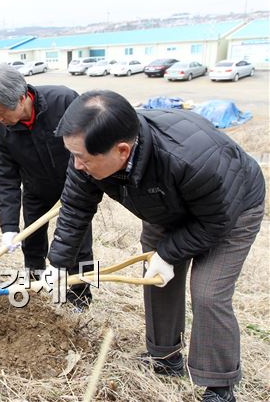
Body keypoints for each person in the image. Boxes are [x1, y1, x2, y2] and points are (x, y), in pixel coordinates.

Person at [47, 90, 265, 401]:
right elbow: (75, 207)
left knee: (207, 292)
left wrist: (168, 252)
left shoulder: (193, 158)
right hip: (164, 204)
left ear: (122, 150)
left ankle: (218, 384)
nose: (77, 164)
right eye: (73, 154)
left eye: (83, 157)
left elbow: (215, 222)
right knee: (156, 277)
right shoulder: (88, 153)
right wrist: (59, 263)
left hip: (231, 210)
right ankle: (165, 357)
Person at [0, 64, 94, 309]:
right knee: (32, 244)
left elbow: (90, 145)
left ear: (21, 99)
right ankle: (35, 288)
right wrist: (8, 227)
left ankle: (79, 299)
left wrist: (83, 185)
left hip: (76, 188)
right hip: (35, 191)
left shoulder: (64, 101)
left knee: (78, 247)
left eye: (0, 111)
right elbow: (5, 180)